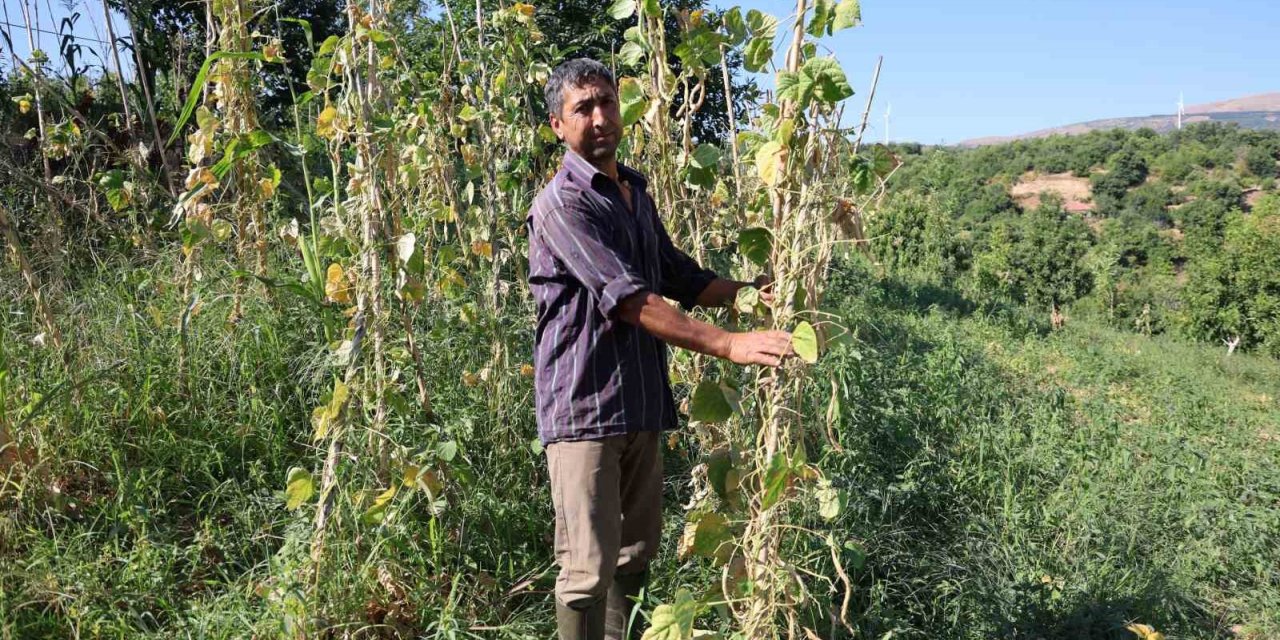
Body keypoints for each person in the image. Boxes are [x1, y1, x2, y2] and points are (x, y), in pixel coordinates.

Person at [527, 58, 793, 639]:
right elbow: (629, 299)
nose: (600, 118)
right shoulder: (563, 205)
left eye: (607, 103)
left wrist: (749, 297)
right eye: (582, 109)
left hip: (640, 402)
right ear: (557, 125)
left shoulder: (634, 192)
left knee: (635, 555)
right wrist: (730, 344)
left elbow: (674, 274)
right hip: (585, 410)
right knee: (585, 571)